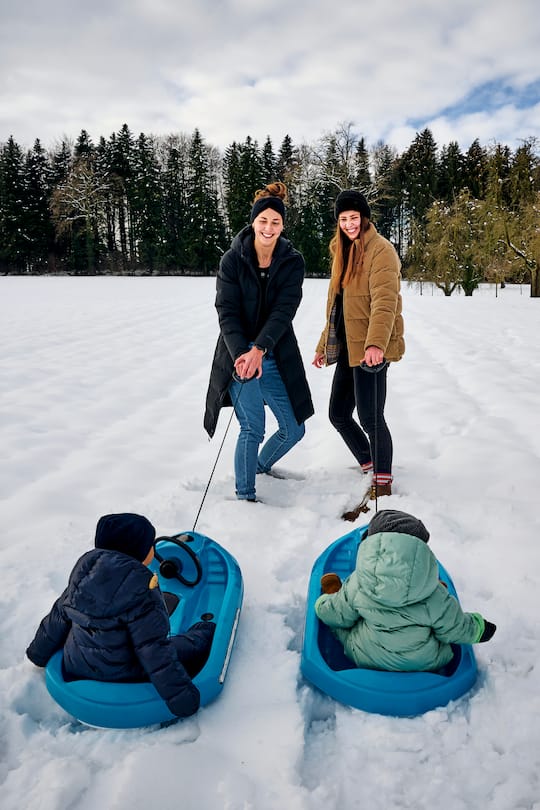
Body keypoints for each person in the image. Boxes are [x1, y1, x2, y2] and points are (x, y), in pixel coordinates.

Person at [26, 513, 215, 719]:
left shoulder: (82, 577)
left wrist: (38, 654)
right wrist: (181, 699)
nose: (153, 548)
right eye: (150, 544)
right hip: (122, 672)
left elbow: (55, 620)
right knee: (189, 644)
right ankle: (205, 632)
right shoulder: (141, 591)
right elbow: (154, 650)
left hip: (77, 663)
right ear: (140, 553)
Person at [204, 182, 314, 502]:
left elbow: (284, 309)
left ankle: (260, 466)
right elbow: (228, 311)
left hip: (274, 353)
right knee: (253, 427)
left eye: (275, 222)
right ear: (253, 222)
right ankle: (245, 496)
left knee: (294, 429)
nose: (268, 227)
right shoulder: (232, 260)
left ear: (283, 224)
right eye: (263, 221)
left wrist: (260, 349)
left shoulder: (292, 261)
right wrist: (243, 353)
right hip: (237, 354)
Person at [313, 189, 404, 519]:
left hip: (372, 350)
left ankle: (382, 481)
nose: (349, 223)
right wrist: (324, 345)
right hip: (350, 347)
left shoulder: (382, 251)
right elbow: (336, 307)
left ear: (364, 219)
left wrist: (376, 344)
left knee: (370, 417)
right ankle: (370, 462)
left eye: (354, 218)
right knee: (338, 413)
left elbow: (385, 301)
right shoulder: (341, 250)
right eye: (343, 219)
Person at [315, 510, 496, 672]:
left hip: (366, 658)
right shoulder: (435, 595)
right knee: (440, 620)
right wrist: (479, 628)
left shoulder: (358, 583)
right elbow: (456, 627)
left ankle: (333, 591)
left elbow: (335, 614)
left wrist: (322, 603)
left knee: (342, 625)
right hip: (426, 661)